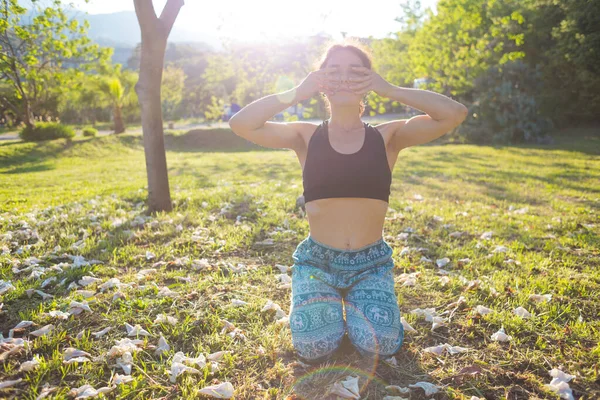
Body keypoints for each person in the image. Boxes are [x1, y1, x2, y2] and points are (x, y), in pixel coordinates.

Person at [228, 38, 468, 363]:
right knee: (315, 349)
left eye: (355, 71)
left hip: (371, 265)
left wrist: (390, 89)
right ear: (321, 82)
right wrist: (297, 92)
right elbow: (241, 124)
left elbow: (454, 114)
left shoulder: (388, 137)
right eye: (333, 70)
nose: (344, 77)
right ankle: (326, 308)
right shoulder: (306, 136)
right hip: (318, 264)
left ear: (368, 82)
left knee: (379, 347)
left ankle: (356, 312)